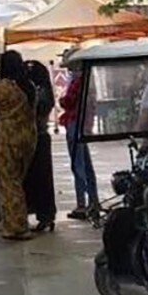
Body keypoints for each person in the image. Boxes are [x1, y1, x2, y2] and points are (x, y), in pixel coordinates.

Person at [0, 52, 38, 241]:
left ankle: (16, 227)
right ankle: (18, 221)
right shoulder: (28, 86)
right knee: (18, 181)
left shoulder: (3, 87)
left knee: (8, 182)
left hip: (6, 139)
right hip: (28, 137)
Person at [58, 67, 99, 221]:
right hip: (83, 125)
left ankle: (82, 204)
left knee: (78, 165)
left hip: (74, 124)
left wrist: (62, 100)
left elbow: (68, 101)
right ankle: (93, 201)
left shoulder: (77, 82)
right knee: (87, 165)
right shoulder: (89, 81)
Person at [23, 61, 58, 233]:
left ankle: (42, 214)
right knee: (42, 178)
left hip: (36, 136)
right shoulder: (45, 90)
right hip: (41, 137)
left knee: (36, 177)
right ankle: (45, 215)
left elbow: (37, 112)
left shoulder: (36, 91)